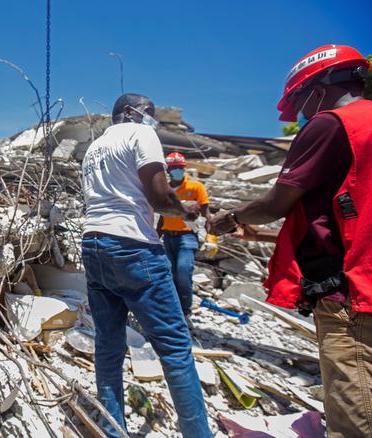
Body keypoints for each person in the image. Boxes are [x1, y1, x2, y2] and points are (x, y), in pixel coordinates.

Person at [209, 44, 371, 438]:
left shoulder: (332, 124)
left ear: (317, 87)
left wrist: (228, 219)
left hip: (350, 295)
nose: (300, 115)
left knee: (355, 417)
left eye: (300, 102)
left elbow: (275, 203)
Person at [81, 93, 211, 437]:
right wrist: (186, 211)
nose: (152, 119)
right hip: (132, 247)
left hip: (93, 245)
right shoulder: (141, 134)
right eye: (148, 113)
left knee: (108, 346)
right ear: (130, 112)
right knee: (174, 347)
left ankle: (112, 429)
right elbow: (159, 196)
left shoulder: (94, 149)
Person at [158, 152, 211, 321]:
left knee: (183, 272)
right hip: (167, 237)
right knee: (169, 274)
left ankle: (185, 311)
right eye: (173, 169)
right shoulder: (164, 189)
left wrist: (210, 237)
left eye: (179, 168)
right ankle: (172, 310)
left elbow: (206, 214)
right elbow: (161, 216)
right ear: (168, 170)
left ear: (184, 168)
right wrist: (155, 236)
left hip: (187, 237)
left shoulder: (195, 187)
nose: (176, 171)